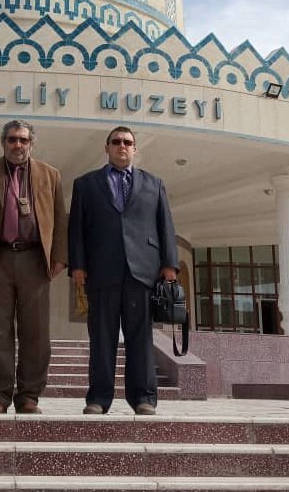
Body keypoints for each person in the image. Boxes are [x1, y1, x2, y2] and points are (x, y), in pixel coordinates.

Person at [68, 126, 178, 415]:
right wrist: (77, 264)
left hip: (143, 272)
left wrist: (169, 264)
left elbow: (165, 225)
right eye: (116, 142)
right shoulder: (86, 184)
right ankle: (98, 398)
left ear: (135, 149)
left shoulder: (154, 184)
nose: (122, 146)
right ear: (106, 148)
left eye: (127, 142)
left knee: (141, 339)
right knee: (101, 339)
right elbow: (76, 228)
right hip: (101, 271)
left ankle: (144, 398)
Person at [0, 119, 68, 414]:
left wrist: (59, 256)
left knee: (35, 331)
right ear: (3, 143)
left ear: (31, 144)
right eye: (12, 139)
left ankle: (29, 395)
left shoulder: (50, 175)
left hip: (34, 259)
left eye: (23, 140)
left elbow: (60, 218)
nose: (18, 145)